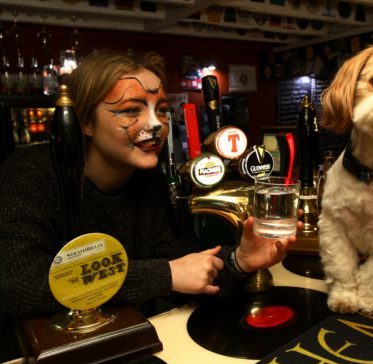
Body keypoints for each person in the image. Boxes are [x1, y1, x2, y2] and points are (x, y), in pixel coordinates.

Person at [0, 49, 299, 321]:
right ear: (85, 122)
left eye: (162, 110)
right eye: (132, 110)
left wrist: (240, 261)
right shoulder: (29, 173)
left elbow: (185, 272)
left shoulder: (146, 181)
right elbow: (19, 285)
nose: (156, 125)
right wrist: (165, 275)